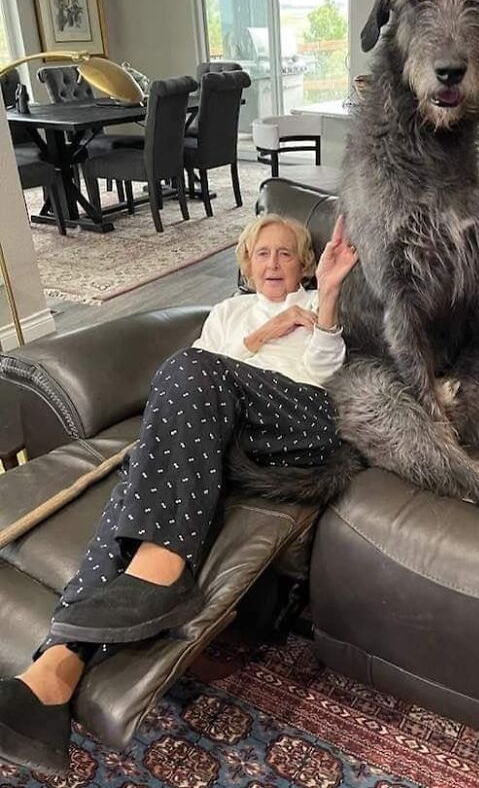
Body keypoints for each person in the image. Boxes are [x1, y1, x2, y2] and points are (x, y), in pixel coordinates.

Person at [0, 213, 358, 774]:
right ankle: (54, 668)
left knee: (187, 370)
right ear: (245, 263)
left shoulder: (320, 306)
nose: (273, 263)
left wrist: (327, 296)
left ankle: (164, 568)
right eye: (261, 253)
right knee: (143, 470)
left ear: (304, 263)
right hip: (229, 428)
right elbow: (204, 380)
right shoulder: (227, 313)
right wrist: (265, 331)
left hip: (297, 421)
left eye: (286, 254)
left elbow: (326, 370)